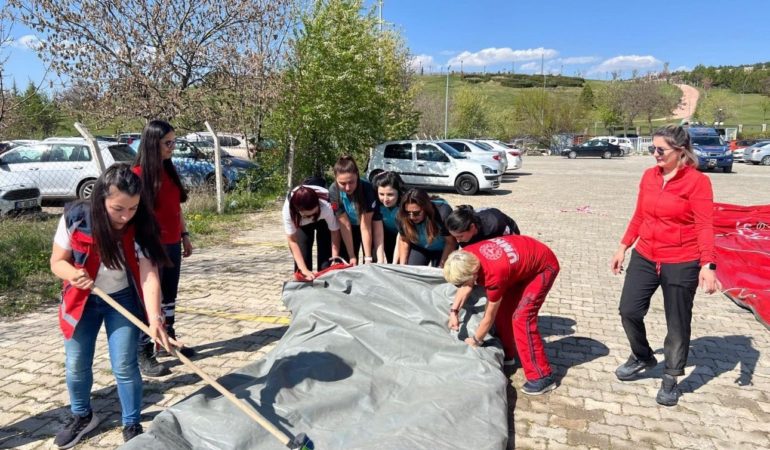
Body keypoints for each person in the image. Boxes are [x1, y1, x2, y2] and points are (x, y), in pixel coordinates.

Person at [50, 164, 173, 447]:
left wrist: (155, 318)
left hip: (122, 299)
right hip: (82, 299)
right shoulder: (75, 217)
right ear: (100, 198)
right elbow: (58, 261)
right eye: (118, 208)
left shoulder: (141, 223)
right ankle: (82, 415)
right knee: (76, 364)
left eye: (132, 208)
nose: (125, 216)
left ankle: (131, 423)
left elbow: (149, 274)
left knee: (125, 365)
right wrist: (73, 274)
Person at [610, 125, 722, 407]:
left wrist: (708, 264)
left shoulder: (697, 182)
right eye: (652, 149)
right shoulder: (649, 176)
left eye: (660, 150)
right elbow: (640, 215)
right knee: (629, 310)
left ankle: (671, 377)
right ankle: (642, 355)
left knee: (677, 322)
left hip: (682, 260)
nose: (655, 154)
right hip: (646, 254)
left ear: (681, 151)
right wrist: (623, 246)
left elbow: (705, 225)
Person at [443, 235, 560, 395]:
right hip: (519, 265)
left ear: (473, 274)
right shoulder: (466, 256)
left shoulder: (494, 275)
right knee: (504, 313)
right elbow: (466, 286)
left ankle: (542, 376)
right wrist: (454, 312)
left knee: (522, 318)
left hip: (543, 266)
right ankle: (508, 353)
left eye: (460, 283)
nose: (459, 286)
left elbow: (488, 317)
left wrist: (476, 340)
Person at [133, 120, 194, 377]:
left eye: (174, 142)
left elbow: (176, 208)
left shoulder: (169, 170)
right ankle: (144, 350)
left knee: (169, 295)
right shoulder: (136, 175)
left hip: (171, 243)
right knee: (151, 301)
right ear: (152, 144)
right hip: (150, 247)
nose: (173, 147)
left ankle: (167, 338)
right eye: (168, 143)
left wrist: (185, 235)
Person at [328, 156, 383, 265]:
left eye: (351, 182)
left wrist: (368, 258)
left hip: (368, 226)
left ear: (357, 175)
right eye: (342, 183)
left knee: (371, 261)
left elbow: (365, 226)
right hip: (349, 227)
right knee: (348, 261)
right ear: (335, 178)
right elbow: (345, 225)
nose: (347, 188)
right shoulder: (333, 191)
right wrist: (352, 256)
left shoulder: (367, 188)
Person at [283, 184, 342, 280]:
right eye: (307, 216)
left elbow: (335, 232)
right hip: (302, 225)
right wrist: (303, 269)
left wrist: (335, 258)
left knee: (326, 265)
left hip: (323, 222)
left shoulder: (326, 205)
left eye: (313, 214)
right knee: (302, 269)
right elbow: (292, 241)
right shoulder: (289, 209)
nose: (310, 218)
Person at [396, 188, 456, 267]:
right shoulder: (401, 216)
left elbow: (451, 243)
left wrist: (441, 267)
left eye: (416, 213)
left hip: (443, 248)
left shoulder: (442, 214)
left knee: (438, 274)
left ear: (425, 208)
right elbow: (404, 241)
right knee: (411, 271)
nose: (411, 217)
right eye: (408, 213)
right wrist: (403, 266)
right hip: (420, 247)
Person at [446, 204, 521, 247]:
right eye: (455, 236)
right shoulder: (462, 235)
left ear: (472, 227)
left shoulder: (495, 224)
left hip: (504, 232)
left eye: (460, 236)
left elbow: (515, 243)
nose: (457, 240)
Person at [372, 171, 405, 263]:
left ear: (399, 192)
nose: (385, 199)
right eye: (381, 194)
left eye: (390, 194)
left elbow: (401, 236)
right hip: (386, 235)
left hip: (404, 237)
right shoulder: (376, 204)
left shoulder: (405, 205)